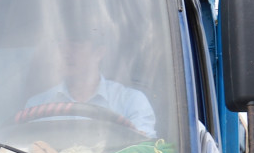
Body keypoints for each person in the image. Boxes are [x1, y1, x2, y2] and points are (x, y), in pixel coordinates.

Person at [22, 36, 157, 136]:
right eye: (61, 46)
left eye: (75, 45)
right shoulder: (36, 107)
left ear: (99, 53)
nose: (65, 53)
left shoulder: (132, 102)